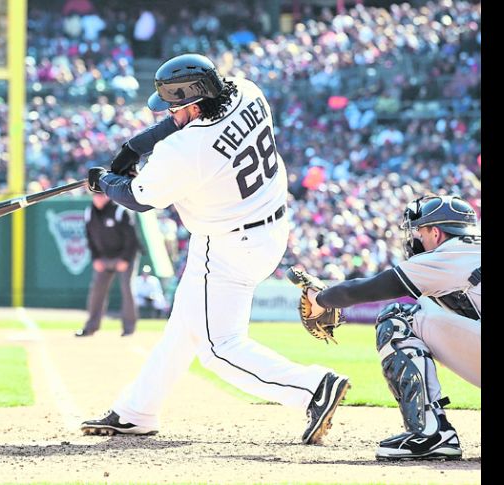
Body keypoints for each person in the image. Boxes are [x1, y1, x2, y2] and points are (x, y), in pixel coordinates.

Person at [81, 53, 350, 444]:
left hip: (227, 245)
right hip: (270, 225)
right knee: (185, 326)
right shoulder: (246, 90)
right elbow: (180, 122)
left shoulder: (186, 150)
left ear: (194, 105)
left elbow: (137, 197)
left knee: (218, 347)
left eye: (174, 105)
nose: (169, 113)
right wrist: (134, 147)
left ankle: (313, 388)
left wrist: (105, 182)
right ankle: (136, 411)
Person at [303, 194, 480, 460]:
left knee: (398, 319)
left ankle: (430, 433)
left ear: (436, 232)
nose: (417, 239)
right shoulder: (470, 252)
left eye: (420, 232)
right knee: (425, 312)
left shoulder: (450, 253)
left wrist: (320, 299)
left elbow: (363, 289)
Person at [76, 192, 142, 337]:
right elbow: (89, 238)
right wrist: (96, 258)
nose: (98, 198)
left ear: (107, 196)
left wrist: (125, 259)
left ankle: (129, 329)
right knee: (96, 291)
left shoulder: (120, 211)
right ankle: (90, 327)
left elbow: (132, 239)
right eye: (96, 195)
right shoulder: (90, 212)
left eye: (101, 195)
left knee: (127, 290)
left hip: (124, 257)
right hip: (104, 257)